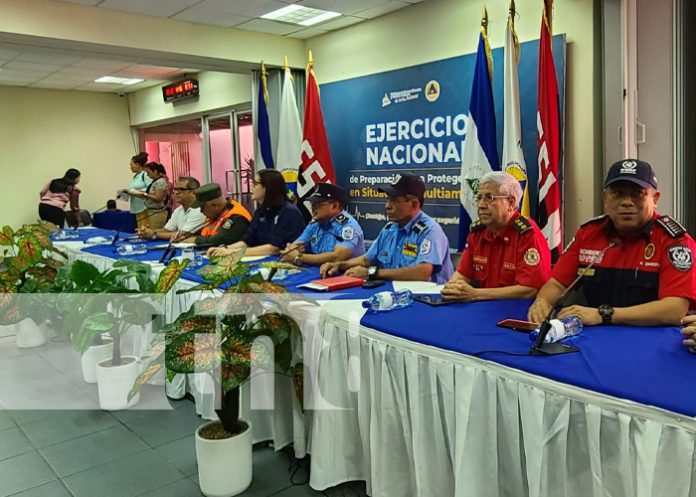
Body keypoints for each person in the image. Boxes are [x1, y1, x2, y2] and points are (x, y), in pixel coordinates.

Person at [528, 159, 696, 327]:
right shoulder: (588, 234)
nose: (626, 202)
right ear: (605, 198)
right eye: (618, 193)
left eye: (637, 194)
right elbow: (557, 283)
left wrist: (605, 314)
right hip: (596, 337)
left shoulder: (674, 241)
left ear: (655, 198)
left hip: (653, 338)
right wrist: (542, 302)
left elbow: (674, 309)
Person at [320, 173, 453, 284]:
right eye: (388, 199)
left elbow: (423, 272)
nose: (387, 206)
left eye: (394, 200)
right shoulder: (390, 228)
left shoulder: (430, 231)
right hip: (394, 295)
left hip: (427, 301)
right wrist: (340, 265)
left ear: (414, 204)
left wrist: (372, 273)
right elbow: (367, 259)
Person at [442, 171, 551, 301]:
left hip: (515, 313)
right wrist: (453, 287)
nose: (481, 205)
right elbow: (462, 274)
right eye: (479, 198)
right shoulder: (477, 233)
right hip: (482, 308)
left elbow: (529, 289)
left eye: (489, 198)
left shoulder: (526, 234)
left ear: (511, 203)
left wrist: (475, 294)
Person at [207, 169, 305, 258]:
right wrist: (225, 249)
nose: (252, 188)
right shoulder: (261, 211)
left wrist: (233, 253)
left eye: (255, 184)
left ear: (267, 187)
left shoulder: (289, 212)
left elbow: (275, 249)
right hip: (261, 260)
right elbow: (247, 241)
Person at [280, 183, 364, 267]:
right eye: (312, 203)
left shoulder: (348, 226)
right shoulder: (315, 224)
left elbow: (338, 256)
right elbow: (293, 248)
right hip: (318, 273)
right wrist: (292, 251)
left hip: (345, 275)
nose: (313, 207)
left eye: (318, 204)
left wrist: (300, 257)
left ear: (334, 206)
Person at [138, 176, 206, 241]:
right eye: (175, 189)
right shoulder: (178, 210)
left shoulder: (199, 210)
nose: (176, 192)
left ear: (193, 192)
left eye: (181, 189)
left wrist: (153, 234)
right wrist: (146, 232)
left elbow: (183, 234)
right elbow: (167, 230)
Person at [188, 183, 251, 247]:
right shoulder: (216, 215)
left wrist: (195, 240)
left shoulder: (237, 216)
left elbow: (220, 240)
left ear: (214, 205)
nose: (201, 211)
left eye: (202, 207)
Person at [129, 162, 168, 230]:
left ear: (155, 171)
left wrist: (144, 194)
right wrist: (137, 194)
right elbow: (149, 195)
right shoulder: (154, 182)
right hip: (150, 211)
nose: (147, 174)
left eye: (148, 172)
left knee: (154, 233)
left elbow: (158, 198)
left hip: (157, 212)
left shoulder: (160, 182)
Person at [121, 152, 152, 230]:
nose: (130, 167)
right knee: (140, 229)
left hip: (144, 207)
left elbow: (151, 188)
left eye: (131, 164)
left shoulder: (145, 175)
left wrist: (134, 191)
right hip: (137, 207)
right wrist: (128, 192)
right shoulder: (136, 176)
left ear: (137, 165)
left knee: (145, 229)